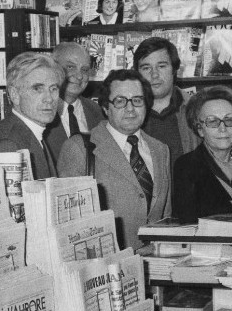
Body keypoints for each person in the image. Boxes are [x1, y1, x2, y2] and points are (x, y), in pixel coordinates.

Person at [57, 69, 171, 250]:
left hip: (156, 264)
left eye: (137, 100)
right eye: (120, 101)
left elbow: (165, 215)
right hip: (108, 266)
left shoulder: (160, 150)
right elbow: (69, 224)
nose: (130, 108)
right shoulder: (80, 148)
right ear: (105, 107)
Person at [172, 86, 232, 222]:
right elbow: (187, 214)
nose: (223, 128)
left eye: (229, 120)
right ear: (200, 129)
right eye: (213, 122)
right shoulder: (186, 166)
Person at [0, 52, 64, 178]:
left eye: (53, 89)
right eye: (37, 88)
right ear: (14, 95)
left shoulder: (31, 131)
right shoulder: (7, 144)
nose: (49, 98)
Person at [134, 36, 200, 164]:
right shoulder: (127, 114)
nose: (154, 75)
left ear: (174, 70)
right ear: (137, 73)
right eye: (146, 68)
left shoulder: (198, 109)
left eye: (161, 66)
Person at [44, 42, 106, 160]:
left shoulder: (98, 112)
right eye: (70, 67)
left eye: (85, 70)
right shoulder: (42, 111)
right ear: (53, 68)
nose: (79, 76)